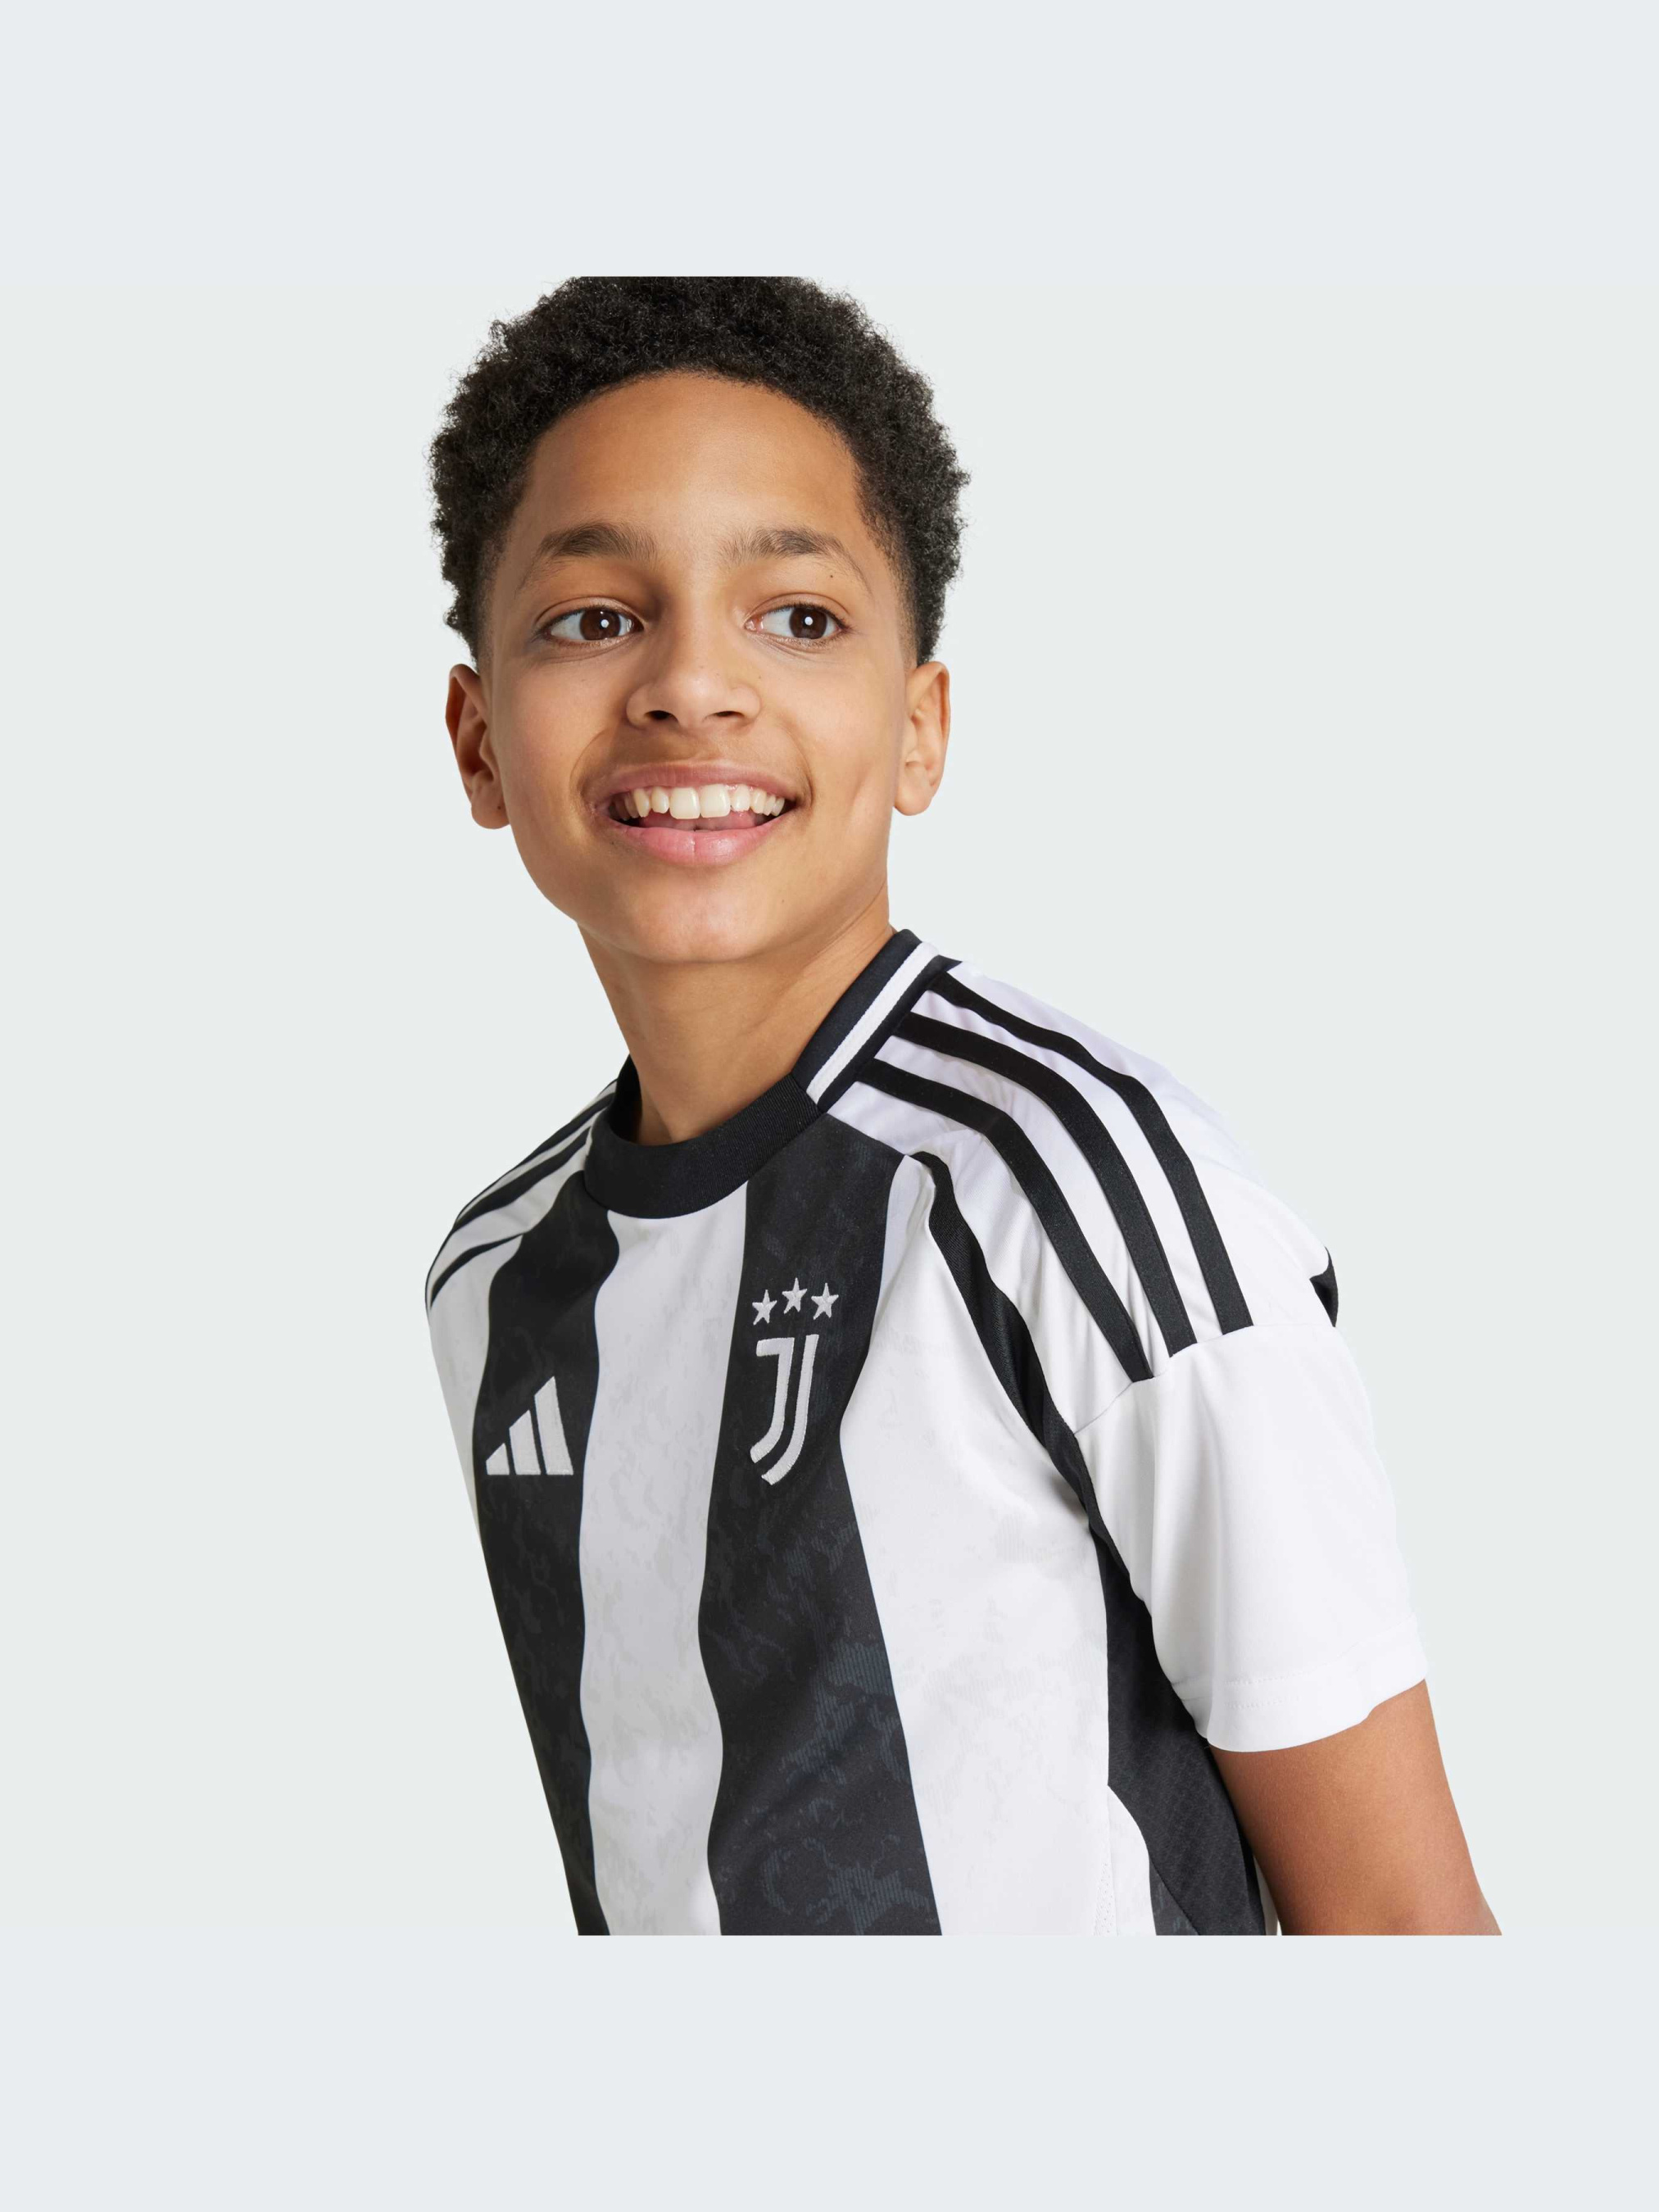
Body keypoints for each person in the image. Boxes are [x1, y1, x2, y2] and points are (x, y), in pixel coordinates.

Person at [422, 276, 1497, 1935]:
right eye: (591, 619)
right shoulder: (497, 1280)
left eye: (797, 617)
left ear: (918, 729)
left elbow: (1401, 1924)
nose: (691, 686)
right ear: (477, 740)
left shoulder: (1072, 1191)